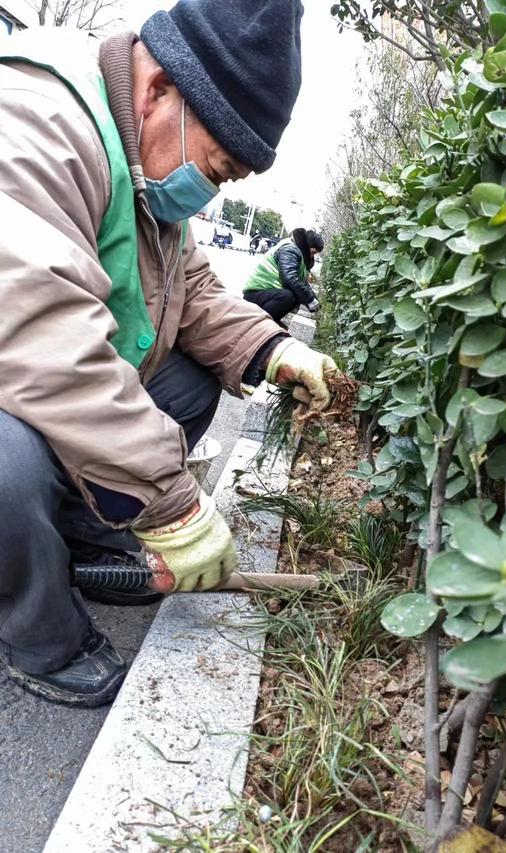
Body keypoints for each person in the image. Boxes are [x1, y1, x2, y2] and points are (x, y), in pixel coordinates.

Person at [0, 0, 338, 708]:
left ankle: (79, 539)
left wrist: (273, 349)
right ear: (158, 91)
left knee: (188, 381)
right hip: (21, 363)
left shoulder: (146, 169)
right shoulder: (36, 123)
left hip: (40, 374)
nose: (208, 194)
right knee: (9, 462)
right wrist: (171, 504)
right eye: (216, 169)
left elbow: (196, 296)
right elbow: (44, 334)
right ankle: (39, 631)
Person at [243, 228, 323, 322]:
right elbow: (289, 279)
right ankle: (258, 323)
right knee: (287, 296)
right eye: (312, 252)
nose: (312, 256)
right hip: (256, 292)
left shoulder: (297, 250)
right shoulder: (290, 249)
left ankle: (272, 321)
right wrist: (310, 300)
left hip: (267, 292)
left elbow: (301, 282)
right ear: (306, 245)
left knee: (298, 295)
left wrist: (315, 302)